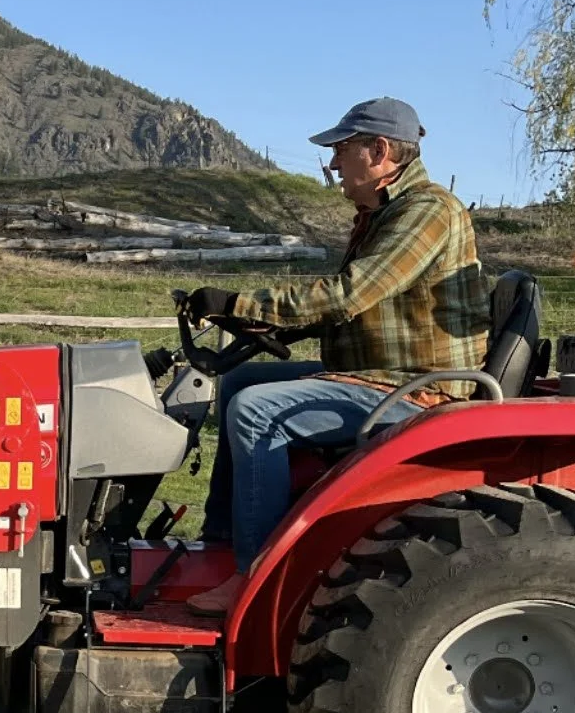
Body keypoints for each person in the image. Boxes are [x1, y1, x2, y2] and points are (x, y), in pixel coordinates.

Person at [183, 97, 489, 616]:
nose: (333, 163)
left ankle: (255, 579)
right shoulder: (383, 214)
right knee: (240, 383)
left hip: (417, 388)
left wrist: (238, 302)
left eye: (342, 150)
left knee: (256, 412)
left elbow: (350, 294)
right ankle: (222, 542)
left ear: (379, 151)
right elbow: (354, 309)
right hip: (377, 373)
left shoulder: (427, 212)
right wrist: (263, 321)